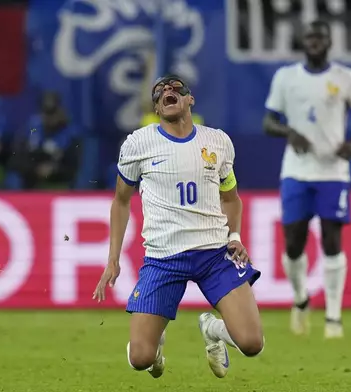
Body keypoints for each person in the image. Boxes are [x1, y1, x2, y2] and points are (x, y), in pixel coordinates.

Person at [93, 75, 264, 379]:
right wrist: (112, 259)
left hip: (214, 254)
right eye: (159, 91)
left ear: (190, 99)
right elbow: (120, 202)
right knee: (140, 359)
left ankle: (212, 329)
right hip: (163, 259)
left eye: (176, 88)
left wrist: (235, 235)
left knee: (252, 344)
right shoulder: (138, 144)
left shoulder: (218, 142)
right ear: (156, 107)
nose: (168, 91)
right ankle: (155, 346)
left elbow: (232, 198)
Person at [262, 21, 351, 338]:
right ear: (302, 41)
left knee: (332, 241)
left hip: (333, 172)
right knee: (294, 243)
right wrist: (289, 131)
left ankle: (334, 318)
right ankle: (300, 299)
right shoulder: (286, 78)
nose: (314, 42)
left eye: (320, 38)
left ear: (328, 43)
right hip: (296, 171)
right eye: (310, 37)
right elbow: (269, 121)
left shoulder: (345, 78)